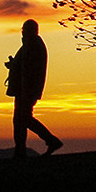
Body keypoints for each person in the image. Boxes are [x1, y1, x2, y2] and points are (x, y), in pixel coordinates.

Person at [5, 18, 63, 159]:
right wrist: (14, 65)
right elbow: (26, 66)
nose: (23, 32)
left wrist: (15, 68)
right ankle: (21, 151)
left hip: (27, 89)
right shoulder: (30, 45)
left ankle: (51, 141)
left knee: (23, 119)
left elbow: (30, 69)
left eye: (24, 29)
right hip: (24, 89)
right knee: (20, 120)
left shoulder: (34, 45)